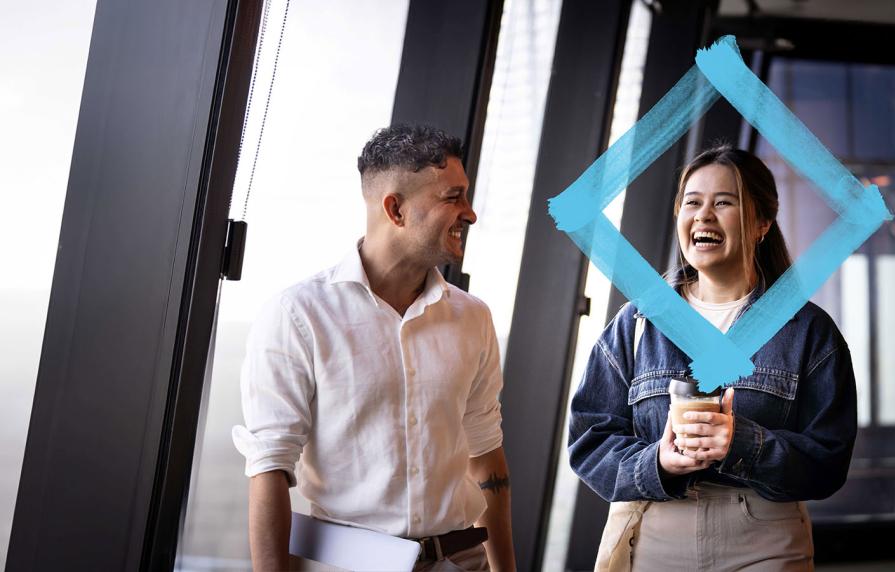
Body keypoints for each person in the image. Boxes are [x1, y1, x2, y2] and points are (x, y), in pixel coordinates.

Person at [233, 124, 515, 572]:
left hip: (462, 562)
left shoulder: (473, 318)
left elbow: (487, 458)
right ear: (395, 209)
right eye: (452, 197)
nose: (470, 213)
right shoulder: (298, 316)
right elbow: (269, 469)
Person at [569, 145, 857, 571]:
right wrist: (659, 462)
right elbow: (589, 441)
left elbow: (828, 462)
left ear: (762, 223)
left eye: (724, 202)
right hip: (655, 535)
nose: (704, 215)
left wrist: (743, 443)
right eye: (692, 202)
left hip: (766, 540)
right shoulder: (637, 323)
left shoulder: (808, 331)